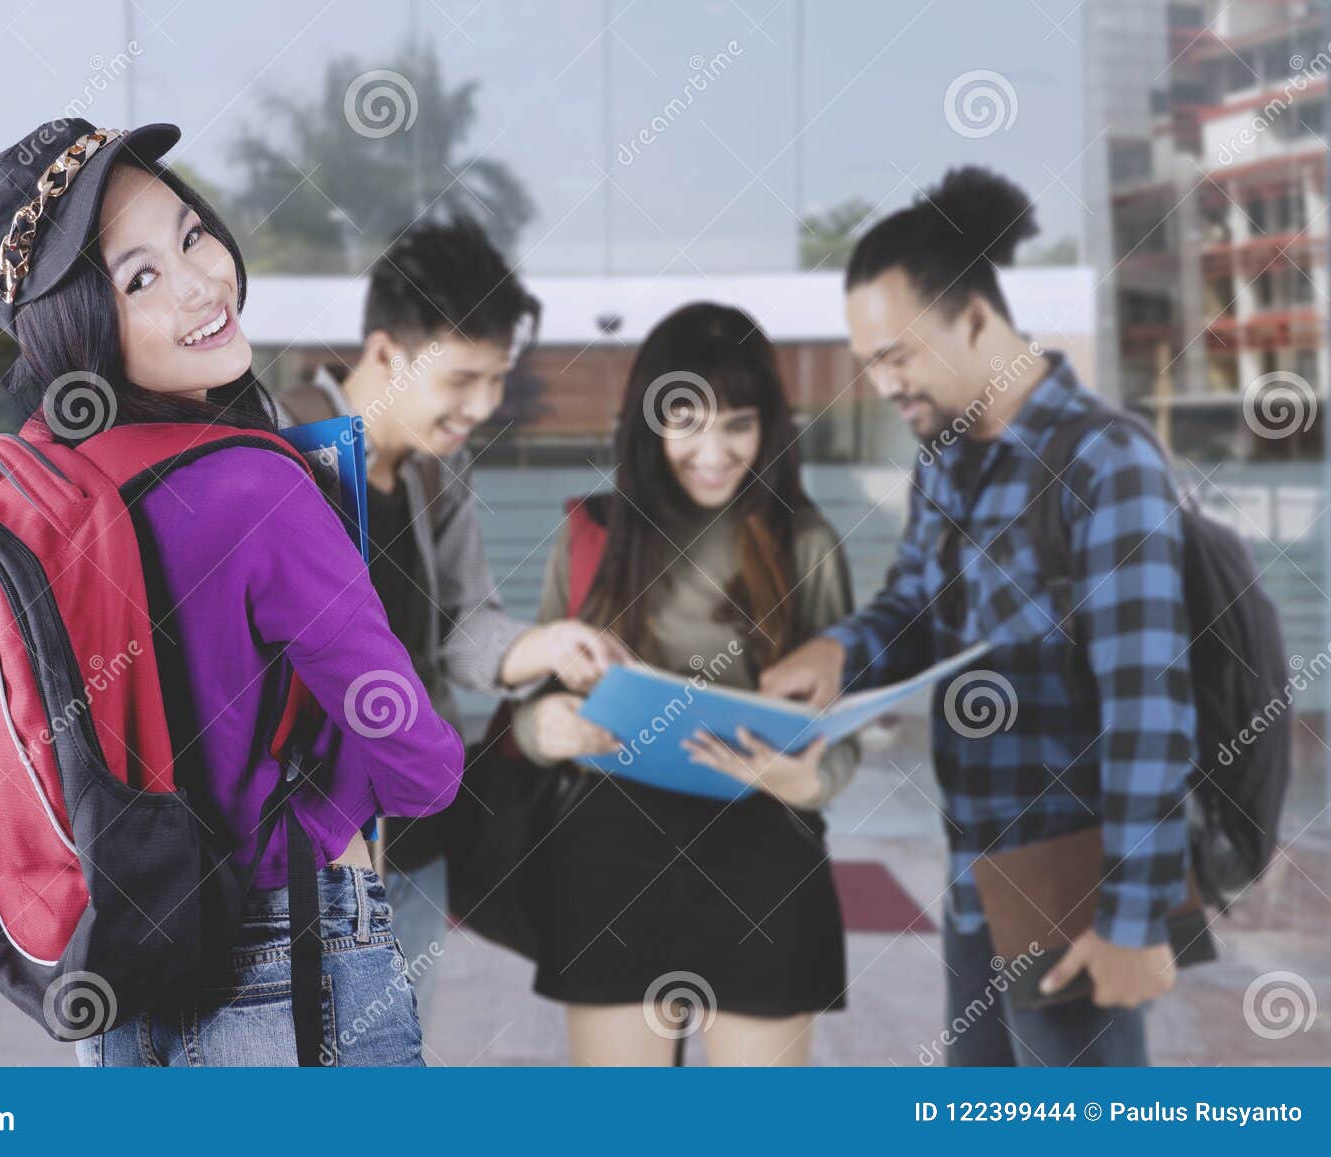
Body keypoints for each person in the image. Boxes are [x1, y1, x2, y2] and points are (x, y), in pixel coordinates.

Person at [0, 119, 464, 1066]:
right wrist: (317, 816)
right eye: (137, 278)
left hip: (121, 980)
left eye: (190, 235)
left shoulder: (16, 497)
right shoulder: (256, 487)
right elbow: (422, 760)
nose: (199, 284)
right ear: (79, 327)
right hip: (292, 961)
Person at [760, 167, 1195, 1067]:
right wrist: (840, 654)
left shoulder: (1107, 462)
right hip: (977, 882)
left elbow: (1150, 705)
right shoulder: (947, 460)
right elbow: (916, 606)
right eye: (869, 362)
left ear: (974, 320)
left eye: (897, 356)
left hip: (1074, 890)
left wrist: (1134, 918)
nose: (881, 384)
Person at [277, 218, 626, 1029]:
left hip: (416, 840)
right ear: (386, 354)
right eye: (465, 377)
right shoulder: (282, 443)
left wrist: (540, 645)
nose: (486, 405)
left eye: (499, 377)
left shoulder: (441, 467)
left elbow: (461, 624)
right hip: (310, 851)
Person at [511, 302, 858, 1066]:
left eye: (739, 423)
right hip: (609, 867)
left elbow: (843, 735)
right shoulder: (592, 534)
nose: (714, 450)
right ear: (648, 422)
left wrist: (805, 779)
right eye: (689, 421)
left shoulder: (806, 543)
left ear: (769, 426)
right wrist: (549, 730)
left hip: (763, 863)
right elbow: (533, 711)